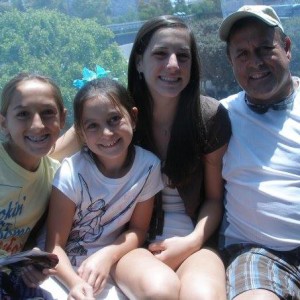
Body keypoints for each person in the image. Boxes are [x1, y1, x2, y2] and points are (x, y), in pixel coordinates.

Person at [111, 15, 231, 299]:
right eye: (160, 54)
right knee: (160, 291)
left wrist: (192, 242)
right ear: (139, 62)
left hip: (195, 243)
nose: (173, 65)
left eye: (183, 56)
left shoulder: (209, 118)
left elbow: (214, 199)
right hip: (133, 244)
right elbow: (59, 148)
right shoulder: (116, 116)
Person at [42, 77, 164, 299]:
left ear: (133, 118)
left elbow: (138, 229)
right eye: (93, 126)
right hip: (64, 270)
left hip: (115, 259)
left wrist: (108, 255)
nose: (107, 133)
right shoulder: (72, 172)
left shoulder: (148, 166)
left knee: (163, 290)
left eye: (114, 119)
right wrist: (75, 283)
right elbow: (54, 246)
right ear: (81, 132)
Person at [218, 5, 300, 300]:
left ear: (287, 48)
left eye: (265, 48)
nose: (255, 63)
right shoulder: (220, 116)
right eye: (242, 54)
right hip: (257, 252)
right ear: (231, 61)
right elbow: (129, 118)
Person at [0, 72, 66, 298]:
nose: (37, 125)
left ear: (63, 119)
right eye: (23, 115)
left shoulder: (55, 176)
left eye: (48, 113)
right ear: (3, 123)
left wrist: (34, 267)